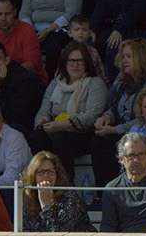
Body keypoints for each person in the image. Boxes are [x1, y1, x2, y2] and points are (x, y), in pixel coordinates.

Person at [91, 38, 146, 185]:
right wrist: (107, 117)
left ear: (142, 58)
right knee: (96, 140)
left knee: (110, 142)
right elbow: (115, 109)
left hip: (141, 131)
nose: (124, 61)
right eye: (123, 57)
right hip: (118, 129)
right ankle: (100, 190)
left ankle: (113, 188)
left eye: (129, 56)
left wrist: (115, 129)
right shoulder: (122, 82)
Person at [29, 41, 108, 177]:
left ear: (86, 63)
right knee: (37, 136)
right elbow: (44, 109)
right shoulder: (55, 83)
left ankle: (66, 189)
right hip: (56, 131)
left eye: (79, 61)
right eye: (71, 61)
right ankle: (41, 183)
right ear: (64, 63)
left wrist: (61, 125)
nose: (75, 65)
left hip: (83, 134)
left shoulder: (94, 83)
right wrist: (43, 119)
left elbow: (92, 116)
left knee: (60, 138)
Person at [20, 150, 95, 231]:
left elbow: (58, 235)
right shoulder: (27, 198)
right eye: (41, 172)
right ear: (33, 176)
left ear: (57, 175)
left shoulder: (69, 197)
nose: (46, 176)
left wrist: (46, 206)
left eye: (50, 172)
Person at [0, 0, 47, 82]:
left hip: (28, 79)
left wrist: (3, 74)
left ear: (15, 12)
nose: (3, 18)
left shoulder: (27, 30)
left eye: (7, 13)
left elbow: (31, 65)